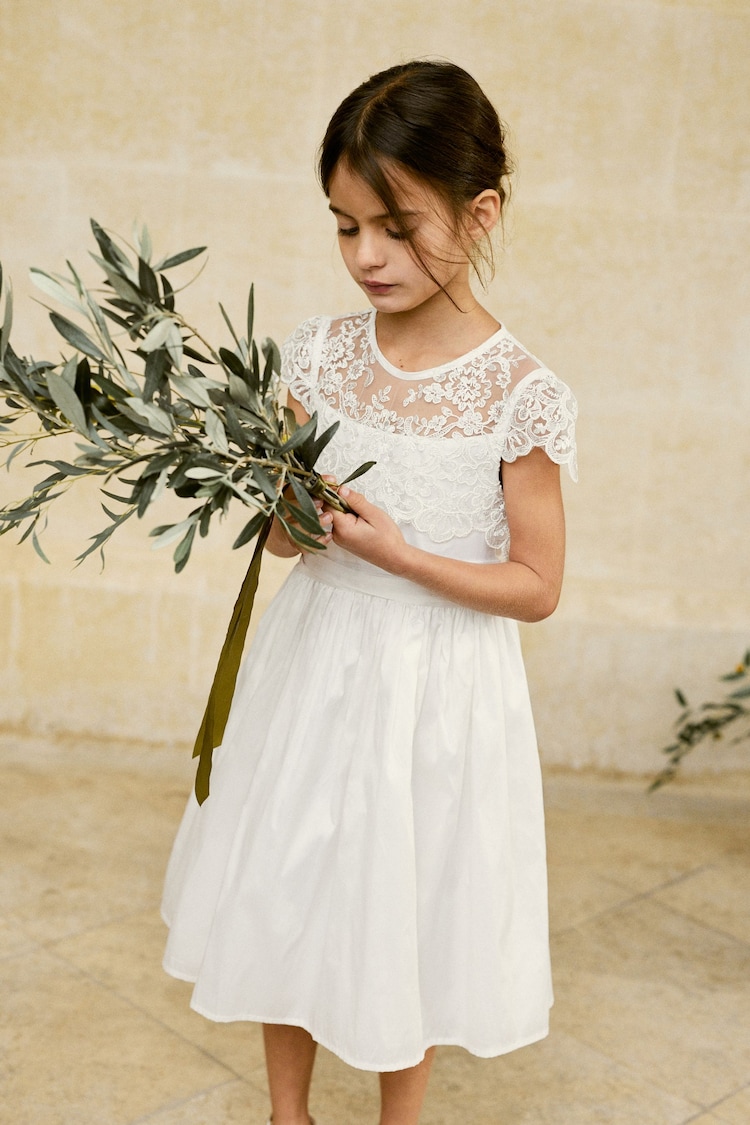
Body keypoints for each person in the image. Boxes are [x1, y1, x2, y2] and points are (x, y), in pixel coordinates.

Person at [161, 59, 578, 1125]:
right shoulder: (321, 354)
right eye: (346, 226)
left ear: (479, 215)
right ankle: (286, 1113)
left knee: (409, 893)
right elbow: (292, 538)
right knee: (291, 873)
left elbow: (537, 585)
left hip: (436, 688)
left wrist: (403, 558)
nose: (368, 256)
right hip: (317, 665)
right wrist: (290, 520)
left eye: (396, 224)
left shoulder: (518, 392)